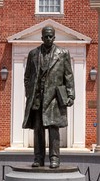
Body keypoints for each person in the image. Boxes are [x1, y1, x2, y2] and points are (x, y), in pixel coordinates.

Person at [22, 25, 75, 168]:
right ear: (42, 37)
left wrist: (71, 95)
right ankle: (38, 158)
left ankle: (54, 158)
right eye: (46, 36)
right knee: (38, 129)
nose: (48, 38)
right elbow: (27, 76)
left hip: (54, 98)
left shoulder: (63, 53)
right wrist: (29, 93)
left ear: (54, 37)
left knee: (53, 129)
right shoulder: (33, 54)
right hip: (37, 98)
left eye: (51, 36)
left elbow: (68, 76)